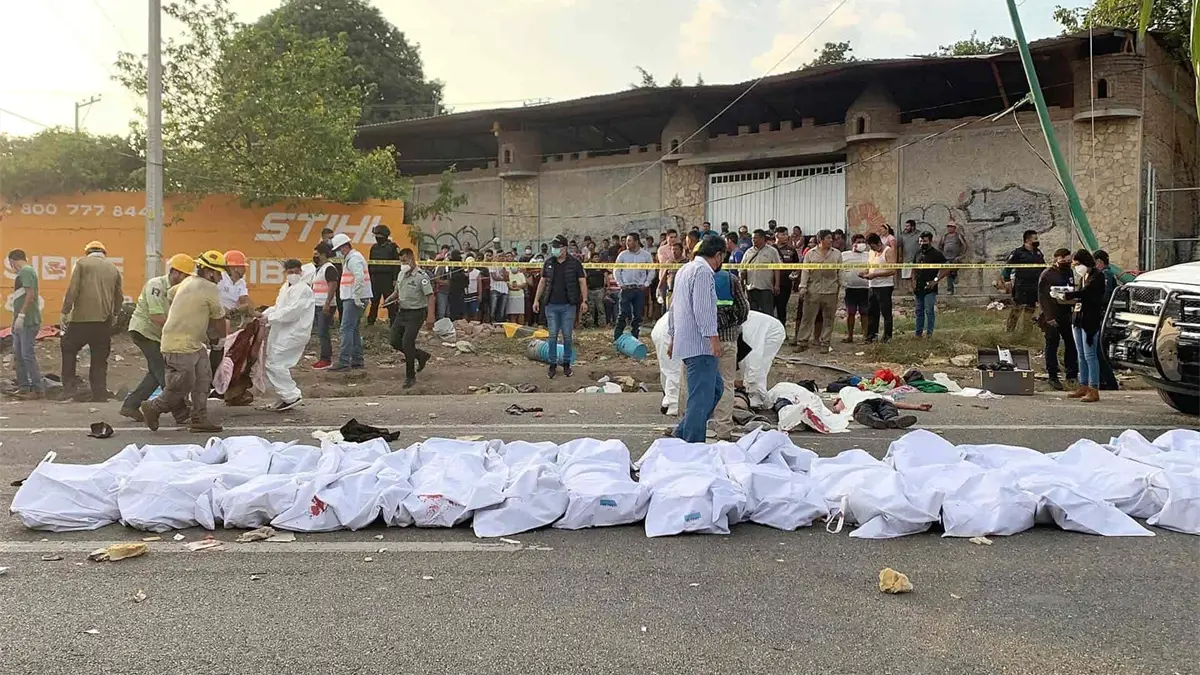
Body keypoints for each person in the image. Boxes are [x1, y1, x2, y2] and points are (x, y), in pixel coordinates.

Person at [140, 250, 227, 433]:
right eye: (219, 273)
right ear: (210, 272)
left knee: (203, 379)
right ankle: (154, 407)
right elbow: (219, 319)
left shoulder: (188, 281)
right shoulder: (210, 288)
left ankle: (199, 418)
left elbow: (171, 294)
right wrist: (220, 338)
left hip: (191, 342)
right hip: (179, 344)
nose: (221, 278)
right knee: (183, 384)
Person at [119, 253, 195, 421]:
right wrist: (178, 333)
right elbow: (157, 317)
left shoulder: (180, 291)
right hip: (144, 332)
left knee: (155, 374)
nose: (187, 280)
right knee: (162, 372)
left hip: (159, 335)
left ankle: (130, 405)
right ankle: (180, 411)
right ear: (175, 272)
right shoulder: (156, 286)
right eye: (185, 276)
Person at [667, 234, 726, 443]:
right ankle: (692, 444)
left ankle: (682, 432)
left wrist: (673, 336)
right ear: (718, 255)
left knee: (715, 389)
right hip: (700, 344)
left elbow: (673, 307)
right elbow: (703, 309)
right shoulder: (703, 272)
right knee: (700, 399)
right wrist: (713, 338)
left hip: (687, 340)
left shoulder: (685, 269)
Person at [60, 240, 123, 402]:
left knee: (68, 348)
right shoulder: (113, 268)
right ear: (104, 253)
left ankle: (69, 388)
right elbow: (119, 295)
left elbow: (73, 289)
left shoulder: (82, 264)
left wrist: (65, 311)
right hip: (103, 321)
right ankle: (99, 392)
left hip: (81, 319)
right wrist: (115, 314)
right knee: (99, 357)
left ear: (87, 252)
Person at [709, 240, 750, 440]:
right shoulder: (731, 279)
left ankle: (691, 427)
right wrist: (733, 324)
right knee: (726, 384)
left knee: (699, 384)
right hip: (727, 340)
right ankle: (723, 430)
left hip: (703, 342)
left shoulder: (695, 277)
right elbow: (744, 309)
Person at [262, 259, 314, 411]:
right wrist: (264, 315)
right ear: (285, 273)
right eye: (290, 272)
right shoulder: (286, 287)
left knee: (275, 362)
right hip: (284, 331)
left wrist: (269, 318)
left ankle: (291, 396)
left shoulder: (303, 289)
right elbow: (279, 307)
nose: (294, 275)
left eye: (296, 272)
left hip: (295, 332)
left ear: (301, 272)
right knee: (275, 362)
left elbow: (292, 312)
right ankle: (284, 396)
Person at [534, 235, 588, 377]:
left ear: (564, 248)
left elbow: (582, 282)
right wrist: (536, 300)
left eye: (557, 247)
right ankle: (552, 364)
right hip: (551, 305)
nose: (554, 249)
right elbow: (542, 282)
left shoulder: (574, 263)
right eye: (553, 247)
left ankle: (566, 364)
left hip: (568, 306)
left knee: (567, 336)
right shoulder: (548, 263)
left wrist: (584, 300)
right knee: (552, 335)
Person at [381, 248, 435, 389]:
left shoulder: (421, 276)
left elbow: (430, 296)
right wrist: (389, 299)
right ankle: (420, 355)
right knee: (394, 341)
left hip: (416, 313)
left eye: (405, 261)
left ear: (412, 259)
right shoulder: (401, 274)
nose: (403, 264)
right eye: (401, 261)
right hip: (402, 312)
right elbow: (397, 292)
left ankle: (410, 377)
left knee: (407, 343)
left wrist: (431, 316)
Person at [1063, 249, 1106, 403]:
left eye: (1078, 264)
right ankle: (1083, 385)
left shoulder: (1097, 277)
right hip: (1078, 319)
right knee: (1081, 355)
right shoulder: (1083, 277)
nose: (1076, 268)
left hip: (1090, 321)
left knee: (1090, 355)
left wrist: (1071, 294)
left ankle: (1093, 388)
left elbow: (1087, 293)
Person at [1036, 248, 1080, 391]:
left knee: (1071, 343)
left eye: (1069, 261)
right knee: (1052, 344)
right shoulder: (1047, 275)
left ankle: (1071, 375)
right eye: (1064, 260)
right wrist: (1049, 317)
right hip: (1052, 314)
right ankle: (1052, 376)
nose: (1067, 263)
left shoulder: (1069, 272)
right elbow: (1043, 297)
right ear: (1056, 259)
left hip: (1066, 313)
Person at [328, 233, 371, 371]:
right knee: (353, 329)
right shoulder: (353, 258)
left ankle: (344, 362)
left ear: (345, 247)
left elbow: (359, 277)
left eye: (338, 249)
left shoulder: (353, 259)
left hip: (353, 298)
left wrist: (357, 296)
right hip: (355, 297)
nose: (338, 253)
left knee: (346, 329)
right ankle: (357, 360)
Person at [6, 249, 45, 400]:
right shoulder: (23, 273)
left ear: (12, 261)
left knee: (27, 355)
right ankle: (24, 386)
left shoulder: (26, 271)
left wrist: (22, 315)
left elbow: (30, 295)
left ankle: (37, 388)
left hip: (28, 321)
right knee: (19, 354)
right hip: (20, 321)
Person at [796, 229, 842, 350]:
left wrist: (842, 287)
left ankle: (825, 343)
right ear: (820, 240)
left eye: (831, 238)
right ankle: (802, 342)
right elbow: (805, 271)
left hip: (831, 290)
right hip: (813, 291)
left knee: (829, 319)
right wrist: (803, 286)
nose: (831, 240)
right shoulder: (810, 254)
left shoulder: (837, 254)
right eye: (828, 238)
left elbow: (840, 271)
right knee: (807, 318)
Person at [214, 249, 254, 376]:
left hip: (231, 316)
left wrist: (236, 311)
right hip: (217, 317)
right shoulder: (220, 279)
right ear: (234, 267)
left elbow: (245, 303)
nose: (245, 270)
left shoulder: (241, 283)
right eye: (242, 267)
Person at [1002, 229, 1045, 333]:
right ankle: (1010, 331)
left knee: (1030, 309)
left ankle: (1026, 332)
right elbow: (1008, 267)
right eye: (1035, 239)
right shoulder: (1018, 252)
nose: (1037, 241)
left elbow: (1043, 267)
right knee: (1017, 308)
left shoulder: (1038, 252)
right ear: (1027, 240)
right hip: (1021, 286)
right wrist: (1007, 280)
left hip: (1034, 286)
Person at [614, 233, 653, 341]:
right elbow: (616, 270)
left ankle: (634, 338)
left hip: (639, 289)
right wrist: (620, 284)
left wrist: (646, 283)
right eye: (627, 241)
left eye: (629, 241)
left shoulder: (646, 255)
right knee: (623, 314)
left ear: (636, 242)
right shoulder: (622, 255)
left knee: (638, 316)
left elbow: (651, 270)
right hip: (626, 288)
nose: (627, 243)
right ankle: (617, 338)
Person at [859, 233, 896, 343]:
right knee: (872, 312)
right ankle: (871, 336)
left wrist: (875, 275)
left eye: (873, 246)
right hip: (872, 286)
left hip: (884, 286)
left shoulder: (888, 251)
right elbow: (869, 266)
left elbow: (892, 270)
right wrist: (865, 272)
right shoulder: (871, 252)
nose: (872, 249)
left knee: (886, 312)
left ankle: (887, 336)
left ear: (879, 243)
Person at [911, 231, 950, 338]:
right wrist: (913, 282)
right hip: (918, 287)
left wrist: (936, 280)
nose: (922, 243)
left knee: (929, 311)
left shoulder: (936, 254)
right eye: (920, 241)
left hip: (930, 287)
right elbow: (913, 268)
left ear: (930, 241)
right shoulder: (917, 253)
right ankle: (918, 334)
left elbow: (947, 268)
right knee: (919, 311)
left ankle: (929, 334)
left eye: (925, 241)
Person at [1093, 250, 1121, 390]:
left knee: (1099, 350)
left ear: (1099, 262)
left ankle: (1108, 382)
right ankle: (1104, 380)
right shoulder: (1106, 275)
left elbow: (1104, 296)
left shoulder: (1105, 276)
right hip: (1104, 315)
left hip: (1103, 315)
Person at [310, 242, 338, 370]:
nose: (314, 257)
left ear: (323, 255)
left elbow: (332, 286)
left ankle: (326, 359)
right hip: (317, 304)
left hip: (325, 305)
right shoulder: (319, 269)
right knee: (320, 332)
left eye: (317, 254)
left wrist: (327, 303)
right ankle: (323, 357)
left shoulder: (329, 268)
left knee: (323, 332)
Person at [366, 224, 401, 327]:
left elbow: (397, 265)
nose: (377, 237)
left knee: (390, 302)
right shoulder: (374, 247)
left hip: (388, 278)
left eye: (378, 235)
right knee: (374, 301)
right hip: (375, 278)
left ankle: (393, 324)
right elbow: (370, 263)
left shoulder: (393, 247)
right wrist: (369, 277)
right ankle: (370, 322)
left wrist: (395, 279)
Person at [741, 229, 780, 313]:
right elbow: (742, 268)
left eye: (755, 238)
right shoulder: (748, 252)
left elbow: (777, 268)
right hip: (750, 288)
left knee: (767, 312)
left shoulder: (772, 251)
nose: (753, 240)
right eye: (752, 238)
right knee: (753, 313)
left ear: (762, 239)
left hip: (765, 288)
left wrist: (777, 284)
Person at [840, 234, 870, 343]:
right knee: (851, 313)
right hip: (850, 288)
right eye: (858, 242)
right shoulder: (844, 255)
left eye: (863, 242)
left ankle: (865, 336)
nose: (861, 244)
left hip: (865, 288)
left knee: (864, 313)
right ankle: (850, 336)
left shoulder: (869, 255)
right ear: (853, 243)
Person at [773, 227, 798, 325]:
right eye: (783, 234)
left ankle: (782, 329)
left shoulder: (791, 250)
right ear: (776, 235)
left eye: (787, 234)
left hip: (785, 284)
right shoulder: (770, 249)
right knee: (769, 310)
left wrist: (795, 274)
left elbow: (797, 266)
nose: (786, 236)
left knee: (782, 309)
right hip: (770, 284)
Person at [939, 219, 969, 294]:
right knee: (948, 273)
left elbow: (965, 245)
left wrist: (961, 255)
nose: (949, 228)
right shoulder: (944, 236)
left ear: (954, 228)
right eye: (948, 227)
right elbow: (940, 246)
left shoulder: (958, 235)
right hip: (946, 257)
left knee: (953, 270)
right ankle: (950, 289)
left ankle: (955, 275)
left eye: (951, 227)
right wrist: (942, 254)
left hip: (955, 257)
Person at [584, 252, 606, 327]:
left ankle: (602, 323)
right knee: (591, 308)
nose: (597, 258)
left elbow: (606, 276)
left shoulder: (602, 266)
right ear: (592, 259)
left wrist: (606, 287)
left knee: (600, 307)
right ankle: (591, 324)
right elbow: (585, 277)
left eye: (598, 257)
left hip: (600, 290)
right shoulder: (588, 267)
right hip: (590, 290)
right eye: (595, 257)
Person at [897, 219, 921, 287]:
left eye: (907, 226)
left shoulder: (919, 234)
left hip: (917, 259)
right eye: (905, 226)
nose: (906, 228)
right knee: (907, 277)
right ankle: (910, 290)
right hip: (906, 259)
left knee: (915, 276)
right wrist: (900, 257)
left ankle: (916, 289)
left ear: (913, 227)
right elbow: (900, 246)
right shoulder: (902, 235)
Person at [506, 256, 528, 324]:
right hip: (511, 296)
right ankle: (513, 328)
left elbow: (524, 284)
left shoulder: (521, 274)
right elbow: (508, 283)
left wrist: (517, 286)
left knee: (521, 313)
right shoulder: (508, 274)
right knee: (512, 314)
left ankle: (521, 327)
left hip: (520, 296)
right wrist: (513, 288)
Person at [489, 257, 509, 324]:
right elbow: (494, 277)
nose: (501, 258)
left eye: (503, 256)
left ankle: (500, 324)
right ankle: (492, 323)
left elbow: (507, 278)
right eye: (499, 256)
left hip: (504, 290)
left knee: (502, 310)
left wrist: (503, 268)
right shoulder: (492, 265)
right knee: (493, 308)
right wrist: (504, 279)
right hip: (495, 289)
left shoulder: (506, 266)